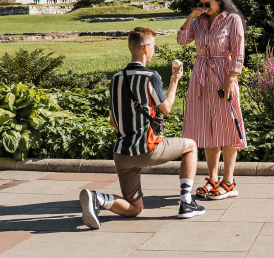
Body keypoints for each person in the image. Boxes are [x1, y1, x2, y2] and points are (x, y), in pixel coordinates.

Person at [80, 27, 203, 229]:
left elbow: (113, 121)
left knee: (134, 209)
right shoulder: (150, 76)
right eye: (153, 47)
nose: (154, 51)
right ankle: (187, 203)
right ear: (145, 48)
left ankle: (98, 198)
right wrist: (174, 81)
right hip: (146, 149)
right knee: (190, 145)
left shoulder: (116, 78)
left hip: (121, 154)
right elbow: (166, 109)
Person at [177, 0, 247, 201]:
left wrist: (230, 80)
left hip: (223, 77)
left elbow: (238, 52)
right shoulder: (198, 21)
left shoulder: (232, 19)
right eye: (201, 2)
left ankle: (229, 181)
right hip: (201, 78)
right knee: (207, 129)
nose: (205, 6)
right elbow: (181, 40)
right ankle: (213, 179)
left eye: (208, 2)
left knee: (226, 128)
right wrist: (192, 16)